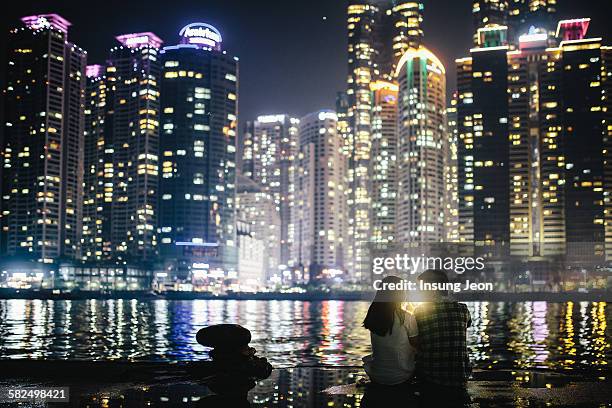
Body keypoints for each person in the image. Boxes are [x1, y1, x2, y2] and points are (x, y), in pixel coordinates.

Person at [413, 269, 472, 406]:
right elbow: (467, 325)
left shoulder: (420, 312)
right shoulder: (463, 309)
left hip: (431, 377)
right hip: (460, 377)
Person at [362, 275, 419, 386]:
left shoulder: (374, 315)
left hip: (377, 376)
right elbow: (417, 345)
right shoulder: (406, 317)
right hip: (402, 377)